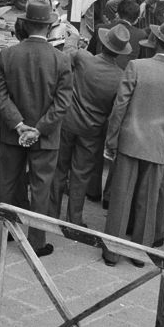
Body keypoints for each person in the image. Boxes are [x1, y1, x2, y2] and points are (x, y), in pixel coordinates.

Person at [101, 19, 164, 267]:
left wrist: (112, 139)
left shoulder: (136, 66)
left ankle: (112, 252)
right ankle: (139, 255)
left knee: (121, 198)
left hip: (130, 141)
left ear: (155, 42)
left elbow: (119, 106)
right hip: (158, 146)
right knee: (148, 202)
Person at [0, 0, 74, 258]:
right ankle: (37, 241)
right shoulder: (61, 60)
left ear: (25, 25)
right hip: (45, 137)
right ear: (49, 28)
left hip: (12, 132)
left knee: (6, 182)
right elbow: (63, 103)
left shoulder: (8, 54)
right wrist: (39, 129)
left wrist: (18, 124)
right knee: (41, 188)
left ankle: (2, 233)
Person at [48, 24, 130, 228]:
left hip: (68, 122)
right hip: (92, 130)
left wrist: (73, 38)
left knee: (59, 170)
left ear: (102, 44)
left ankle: (51, 214)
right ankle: (74, 219)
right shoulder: (120, 77)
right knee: (81, 175)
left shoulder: (84, 58)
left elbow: (66, 54)